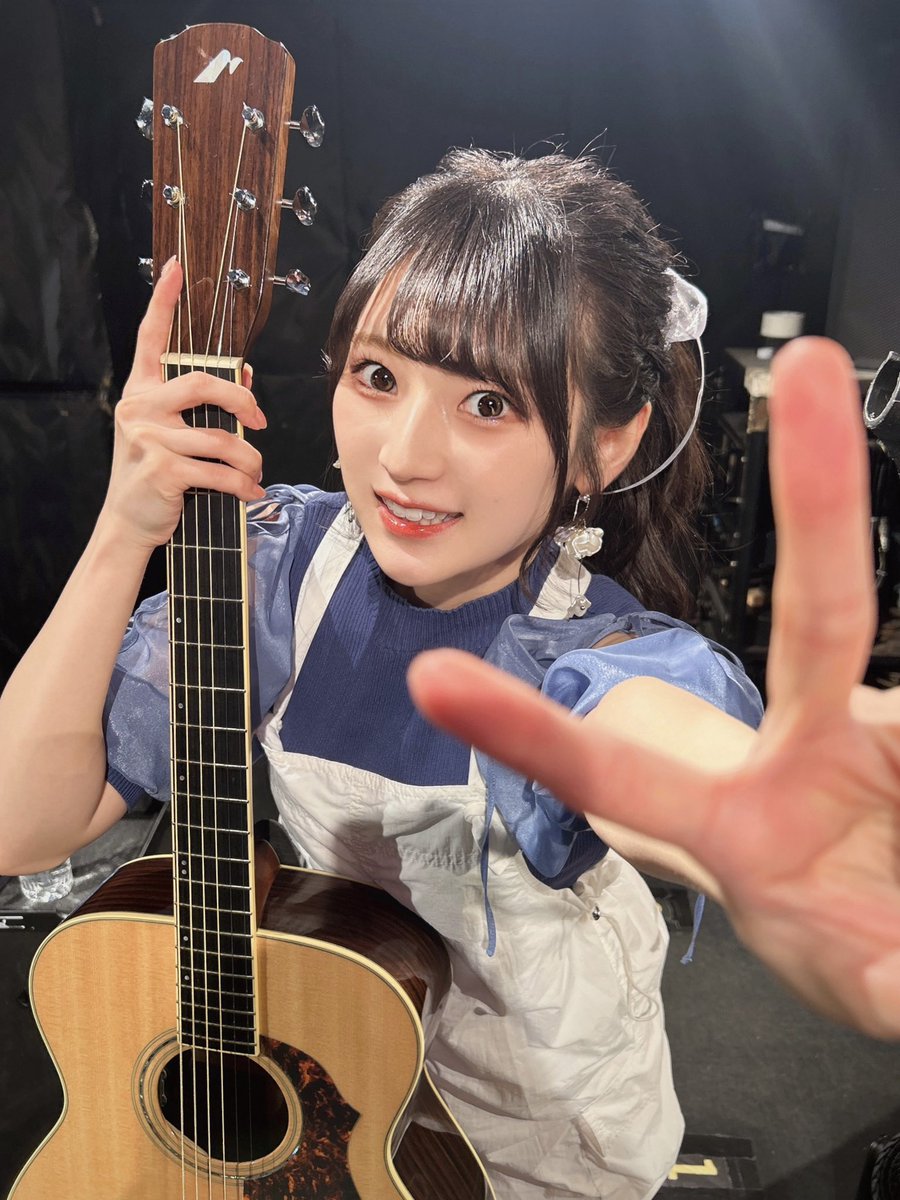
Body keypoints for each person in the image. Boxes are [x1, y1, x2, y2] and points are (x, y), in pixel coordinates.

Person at [0, 147, 894, 1197]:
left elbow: (643, 731)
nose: (404, 457)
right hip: (325, 1096)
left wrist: (755, 810)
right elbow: (22, 827)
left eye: (489, 405)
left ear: (605, 446)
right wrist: (122, 529)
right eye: (378, 378)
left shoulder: (590, 654)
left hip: (525, 1143)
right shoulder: (278, 569)